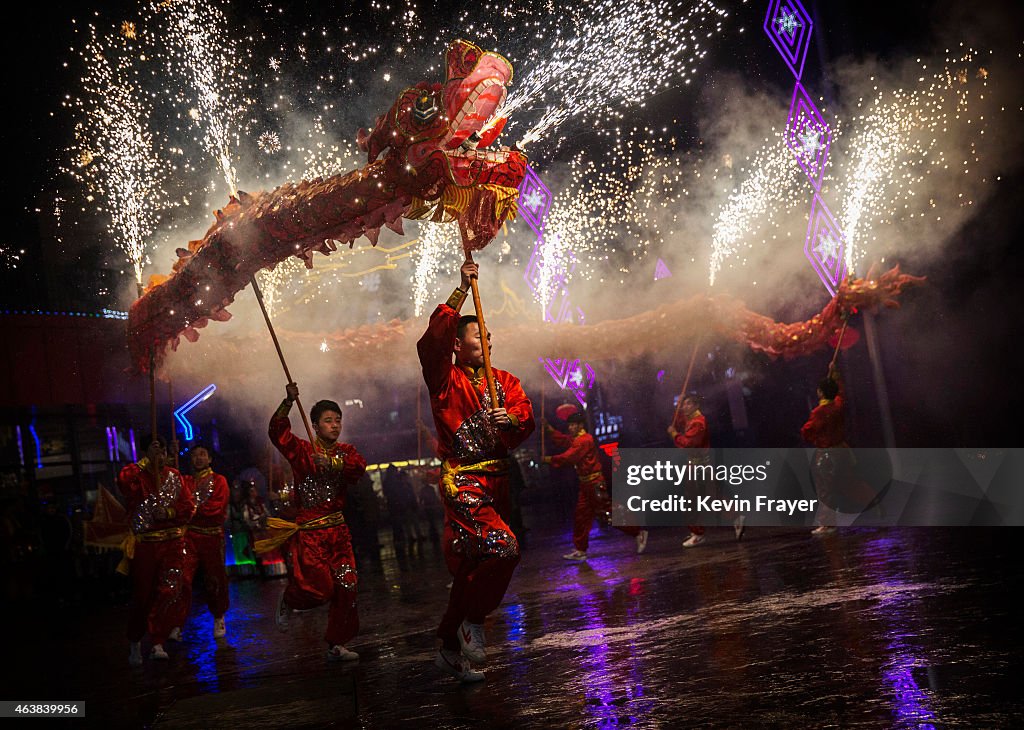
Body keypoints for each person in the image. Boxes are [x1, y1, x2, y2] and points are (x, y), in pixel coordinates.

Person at [417, 259, 535, 683]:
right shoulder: (444, 380)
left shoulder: (506, 380)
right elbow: (430, 343)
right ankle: (474, 621)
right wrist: (461, 290)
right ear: (457, 344)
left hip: (499, 480)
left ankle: (450, 647)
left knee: (471, 570)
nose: (485, 339)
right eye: (476, 334)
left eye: (487, 334)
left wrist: (513, 420)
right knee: (504, 547)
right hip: (464, 480)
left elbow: (525, 415)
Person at [263, 384, 367, 662]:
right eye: (328, 420)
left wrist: (332, 464)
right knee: (320, 589)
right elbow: (277, 433)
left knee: (347, 585)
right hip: (311, 533)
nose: (335, 425)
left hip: (339, 532)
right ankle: (289, 599)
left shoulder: (345, 451)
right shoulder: (302, 451)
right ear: (315, 425)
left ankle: (337, 643)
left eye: (337, 420)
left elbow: (359, 467)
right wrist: (287, 401)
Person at [117, 436, 195, 666]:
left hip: (172, 543)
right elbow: (123, 484)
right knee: (143, 595)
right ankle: (135, 641)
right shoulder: (136, 475)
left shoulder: (174, 476)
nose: (159, 456)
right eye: (154, 451)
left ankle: (158, 641)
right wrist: (144, 462)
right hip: (145, 545)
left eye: (162, 452)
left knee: (169, 590)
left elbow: (188, 507)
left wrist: (170, 513)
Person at [545, 413, 647, 559]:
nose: (571, 428)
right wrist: (549, 429)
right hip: (585, 483)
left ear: (581, 425)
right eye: (570, 425)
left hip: (594, 483)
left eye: (573, 425)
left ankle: (638, 532)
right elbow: (564, 440)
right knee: (581, 515)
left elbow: (569, 457)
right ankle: (580, 550)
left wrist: (550, 459)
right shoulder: (577, 439)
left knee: (608, 513)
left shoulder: (584, 440)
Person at [169, 444, 230, 641]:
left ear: (210, 459)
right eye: (194, 455)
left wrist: (190, 510)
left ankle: (219, 617)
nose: (198, 458)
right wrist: (171, 455)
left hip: (211, 537)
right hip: (190, 537)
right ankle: (176, 622)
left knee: (214, 579)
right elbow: (176, 501)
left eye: (202, 454)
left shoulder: (219, 480)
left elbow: (217, 507)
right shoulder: (184, 481)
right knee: (182, 578)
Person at [668, 395, 745, 546]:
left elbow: (689, 444)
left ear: (696, 405)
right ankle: (735, 518)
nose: (685, 407)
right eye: (684, 404)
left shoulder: (698, 422)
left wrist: (674, 434)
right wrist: (677, 410)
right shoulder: (690, 419)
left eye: (688, 404)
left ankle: (698, 533)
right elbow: (678, 419)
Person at [801, 365, 848, 536]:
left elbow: (806, 431)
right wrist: (835, 374)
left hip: (826, 454)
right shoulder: (838, 405)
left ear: (821, 393)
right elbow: (840, 394)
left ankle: (828, 524)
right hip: (842, 451)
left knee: (825, 490)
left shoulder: (819, 412)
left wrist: (814, 439)